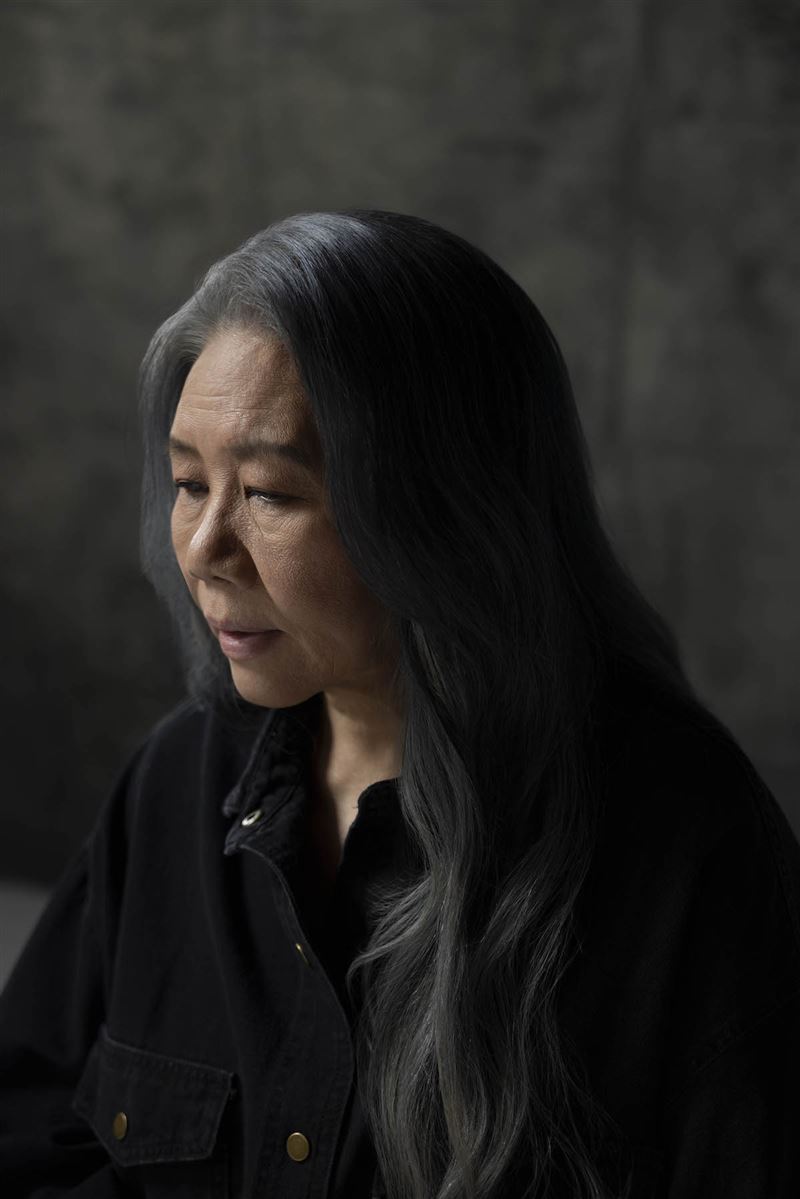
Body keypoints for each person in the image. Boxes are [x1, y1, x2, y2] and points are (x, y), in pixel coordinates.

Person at [1, 209, 798, 1199]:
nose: (203, 548)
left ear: (440, 509)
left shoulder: (682, 846)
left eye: (268, 493)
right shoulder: (177, 781)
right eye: (187, 482)